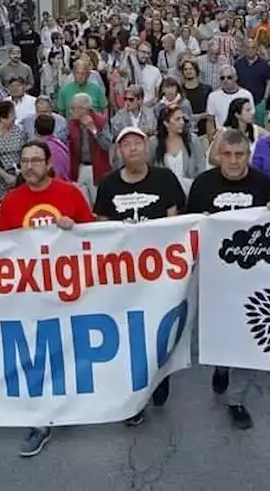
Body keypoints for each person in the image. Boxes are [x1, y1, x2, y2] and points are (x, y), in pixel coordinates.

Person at [0, 140, 93, 457]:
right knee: (39, 357)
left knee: (74, 351)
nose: (30, 166)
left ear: (49, 163)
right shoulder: (11, 201)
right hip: (30, 293)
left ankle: (97, 406)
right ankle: (41, 421)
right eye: (24, 161)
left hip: (69, 290)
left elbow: (96, 238)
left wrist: (73, 229)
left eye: (36, 160)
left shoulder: (70, 193)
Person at [186, 128, 270, 431]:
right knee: (217, 328)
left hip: (251, 273)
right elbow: (190, 227)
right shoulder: (203, 184)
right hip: (213, 272)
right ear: (218, 155)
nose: (233, 161)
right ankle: (221, 364)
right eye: (226, 154)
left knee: (248, 332)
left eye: (239, 154)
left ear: (248, 156)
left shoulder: (264, 184)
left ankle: (237, 400)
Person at [92, 126, 186, 426]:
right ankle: (134, 397)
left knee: (159, 330)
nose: (132, 148)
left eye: (137, 143)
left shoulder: (165, 180)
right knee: (130, 334)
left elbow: (176, 224)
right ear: (119, 151)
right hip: (123, 274)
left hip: (159, 273)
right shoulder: (108, 185)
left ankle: (158, 378)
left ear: (146, 148)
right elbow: (102, 228)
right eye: (126, 144)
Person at [150, 105, 206, 188]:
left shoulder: (192, 140)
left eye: (182, 119)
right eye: (177, 119)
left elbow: (201, 167)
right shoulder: (154, 142)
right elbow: (149, 167)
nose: (182, 122)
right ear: (166, 123)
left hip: (190, 189)